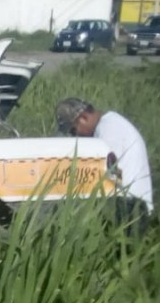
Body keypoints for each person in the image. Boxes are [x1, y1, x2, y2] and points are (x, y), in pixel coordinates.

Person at [55, 97, 154, 227]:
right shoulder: (111, 123)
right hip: (129, 204)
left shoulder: (109, 130)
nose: (76, 136)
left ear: (83, 118)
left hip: (129, 206)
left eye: (73, 131)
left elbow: (113, 171)